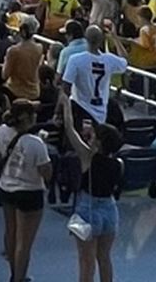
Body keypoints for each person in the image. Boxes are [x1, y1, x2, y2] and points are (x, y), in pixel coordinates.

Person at [60, 97, 123, 282]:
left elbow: (69, 129)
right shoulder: (119, 164)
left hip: (88, 209)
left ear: (99, 142)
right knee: (104, 258)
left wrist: (66, 105)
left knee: (86, 262)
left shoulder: (87, 157)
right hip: (110, 210)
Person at [0, 100, 51, 282]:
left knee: (10, 232)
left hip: (6, 187)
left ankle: (13, 273)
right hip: (30, 191)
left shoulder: (1, 131)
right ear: (28, 118)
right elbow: (46, 173)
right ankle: (19, 278)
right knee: (24, 243)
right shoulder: (35, 143)